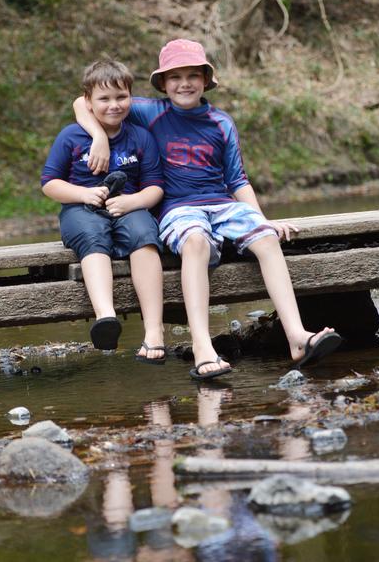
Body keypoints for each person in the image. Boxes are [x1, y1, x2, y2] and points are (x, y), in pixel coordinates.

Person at [73, 38, 342, 380]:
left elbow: (238, 179)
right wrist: (98, 136)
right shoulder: (150, 112)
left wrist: (262, 219)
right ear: (163, 84)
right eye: (175, 77)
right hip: (178, 207)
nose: (184, 83)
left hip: (223, 204)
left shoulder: (221, 122)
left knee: (267, 240)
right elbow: (82, 101)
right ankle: (202, 345)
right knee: (196, 242)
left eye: (192, 75)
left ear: (205, 80)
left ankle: (297, 336)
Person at [42, 57, 166, 361]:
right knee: (92, 234)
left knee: (144, 233)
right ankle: (106, 316)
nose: (114, 105)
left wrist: (134, 202)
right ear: (88, 102)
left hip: (128, 205)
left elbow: (155, 186)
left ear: (131, 97)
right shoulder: (71, 136)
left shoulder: (140, 137)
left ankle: (154, 330)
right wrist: (83, 194)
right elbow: (49, 183)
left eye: (121, 97)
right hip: (80, 209)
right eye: (104, 99)